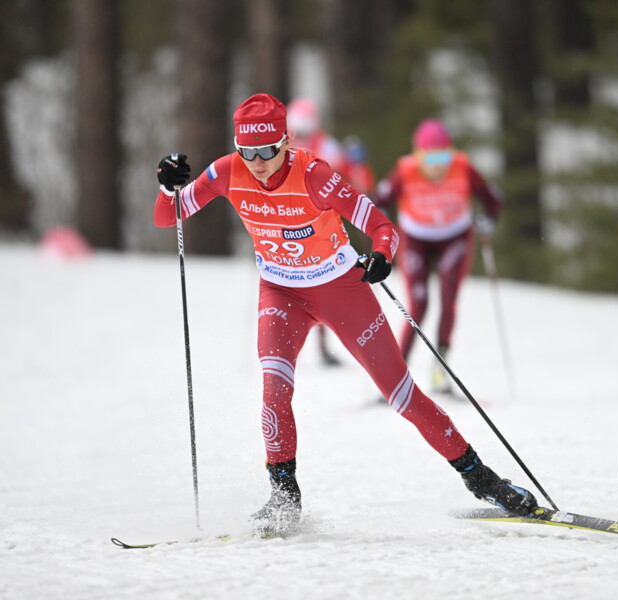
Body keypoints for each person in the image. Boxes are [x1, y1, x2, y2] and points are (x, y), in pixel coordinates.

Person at [153, 94, 535, 535]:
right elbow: (170, 216)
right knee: (274, 389)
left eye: (267, 151)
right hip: (281, 293)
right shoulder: (226, 172)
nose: (257, 162)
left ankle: (483, 479)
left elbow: (381, 226)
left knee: (403, 397)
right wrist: (167, 187)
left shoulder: (313, 175)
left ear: (287, 141)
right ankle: (284, 497)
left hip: (341, 290)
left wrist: (381, 255)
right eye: (247, 151)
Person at [375, 119, 502, 393]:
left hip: (454, 236)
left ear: (451, 152)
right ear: (417, 155)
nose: (437, 165)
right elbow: (377, 202)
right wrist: (379, 228)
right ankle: (395, 378)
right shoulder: (405, 171)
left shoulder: (462, 167)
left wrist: (488, 220)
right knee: (418, 304)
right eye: (429, 158)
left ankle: (440, 374)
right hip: (416, 237)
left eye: (443, 156)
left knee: (448, 299)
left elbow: (492, 198)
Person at [286, 97, 347, 366]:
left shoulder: (328, 146)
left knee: (320, 281)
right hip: (285, 222)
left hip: (319, 224)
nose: (301, 139)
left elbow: (345, 179)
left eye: (306, 133)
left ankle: (323, 343)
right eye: (296, 133)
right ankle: (286, 342)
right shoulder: (280, 144)